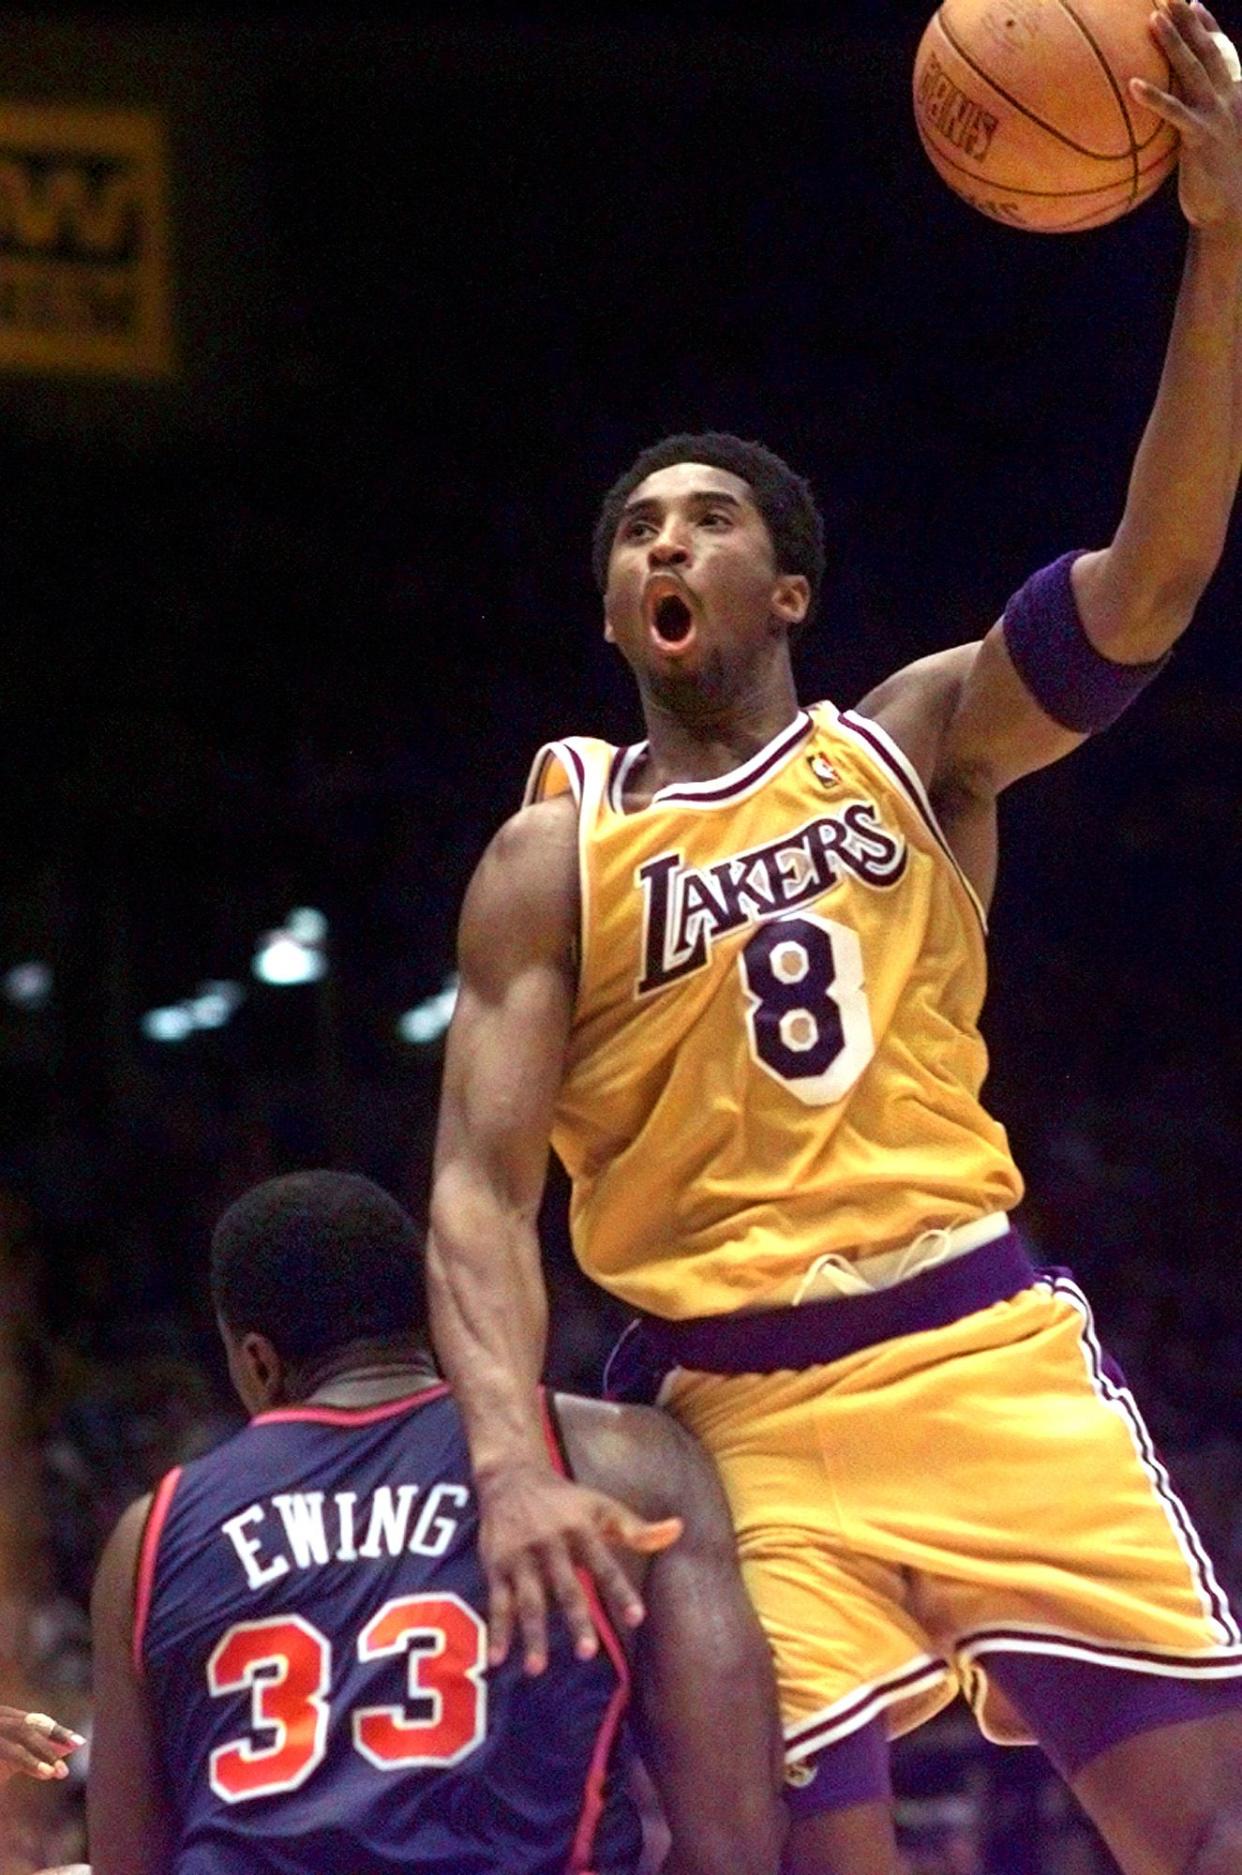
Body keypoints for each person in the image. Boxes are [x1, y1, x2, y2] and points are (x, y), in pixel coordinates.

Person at [426, 6, 1242, 1872]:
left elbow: (1156, 578)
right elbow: (474, 1195)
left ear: (778, 589)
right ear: (619, 609)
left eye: (705, 517)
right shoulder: (554, 848)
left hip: (978, 1352)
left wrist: (1219, 241)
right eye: (636, 525)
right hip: (734, 1426)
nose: (664, 539)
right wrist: (506, 1467)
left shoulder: (912, 745)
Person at [86, 1170, 783, 1875]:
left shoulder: (153, 1536)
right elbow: (735, 1840)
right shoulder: (622, 1460)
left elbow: (125, 1862)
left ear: (259, 1361)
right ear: (429, 1315)